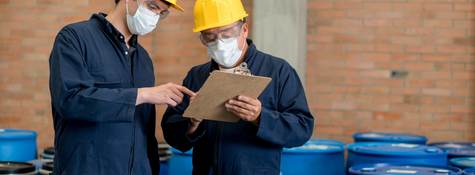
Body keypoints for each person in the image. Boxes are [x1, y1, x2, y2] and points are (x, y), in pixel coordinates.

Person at [162, 0, 314, 174]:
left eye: (226, 34)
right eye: (210, 37)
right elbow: (172, 134)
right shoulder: (197, 76)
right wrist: (192, 123)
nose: (219, 43)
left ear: (244, 29)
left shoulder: (278, 71)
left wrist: (260, 117)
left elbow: (302, 129)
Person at [48, 0, 195, 174]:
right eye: (153, 7)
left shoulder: (144, 59)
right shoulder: (75, 38)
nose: (154, 17)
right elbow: (70, 100)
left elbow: (145, 131)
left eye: (161, 13)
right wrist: (141, 95)